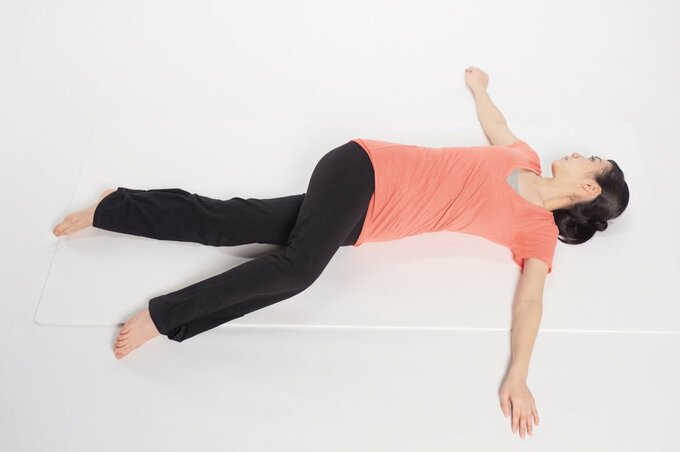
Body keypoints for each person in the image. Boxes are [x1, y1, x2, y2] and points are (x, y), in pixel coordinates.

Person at [52, 66, 629, 438]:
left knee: (235, 221)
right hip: (362, 167)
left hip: (359, 222)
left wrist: (519, 377)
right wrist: (481, 89)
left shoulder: (536, 234)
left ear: (588, 188)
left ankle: (114, 207)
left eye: (590, 160)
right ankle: (164, 317)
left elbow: (530, 303)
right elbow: (496, 124)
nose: (578, 152)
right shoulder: (523, 155)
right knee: (299, 270)